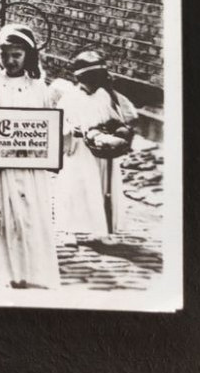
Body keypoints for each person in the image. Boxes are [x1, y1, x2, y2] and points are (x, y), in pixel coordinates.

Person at [0, 25, 60, 289]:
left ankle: (30, 269)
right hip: (1, 169)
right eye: (5, 54)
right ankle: (3, 271)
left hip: (30, 168)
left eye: (17, 55)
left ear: (28, 56)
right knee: (1, 217)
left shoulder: (38, 88)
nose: (10, 61)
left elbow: (47, 127)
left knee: (29, 215)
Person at [54, 49, 139, 244]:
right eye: (89, 80)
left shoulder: (105, 96)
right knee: (75, 188)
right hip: (79, 152)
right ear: (79, 78)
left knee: (102, 188)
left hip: (101, 153)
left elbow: (126, 116)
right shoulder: (70, 98)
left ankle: (101, 229)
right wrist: (72, 131)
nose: (93, 85)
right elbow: (60, 124)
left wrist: (115, 130)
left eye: (97, 80)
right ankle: (69, 230)